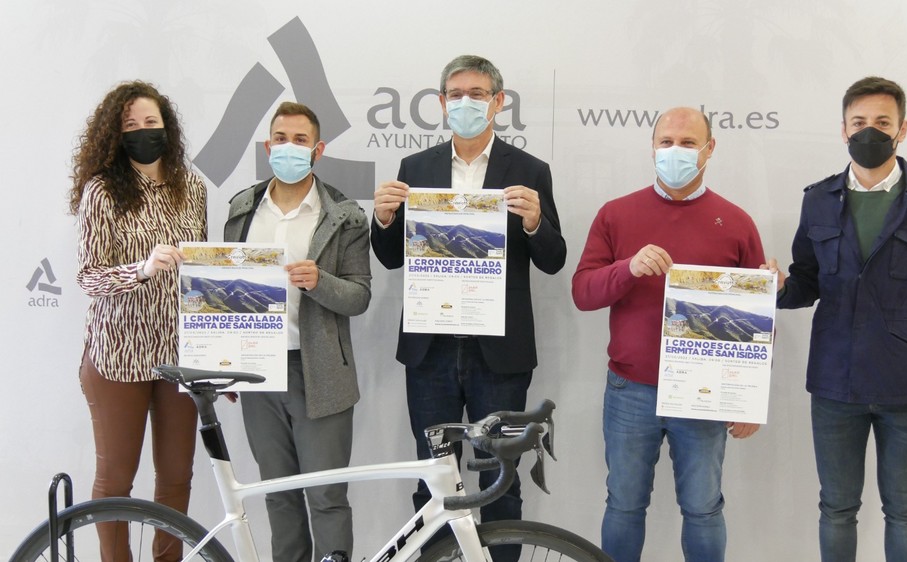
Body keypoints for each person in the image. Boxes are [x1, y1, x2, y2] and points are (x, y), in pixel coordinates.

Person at [765, 76, 907, 562]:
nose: (869, 132)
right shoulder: (818, 199)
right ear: (843, 130)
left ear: (902, 130)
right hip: (836, 385)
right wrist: (778, 289)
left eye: (882, 122)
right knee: (836, 508)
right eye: (859, 123)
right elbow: (807, 283)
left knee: (904, 510)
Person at [370, 55, 566, 536]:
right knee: (434, 483)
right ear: (440, 104)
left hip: (498, 354)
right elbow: (392, 258)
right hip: (430, 349)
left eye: (477, 94)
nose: (466, 103)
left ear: (498, 103)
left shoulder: (529, 170)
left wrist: (536, 223)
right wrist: (383, 220)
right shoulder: (415, 167)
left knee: (501, 483)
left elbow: (554, 259)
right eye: (456, 95)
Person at [572, 107, 764, 562]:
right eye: (666, 142)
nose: (674, 151)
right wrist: (627, 269)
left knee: (702, 508)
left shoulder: (736, 222)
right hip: (630, 389)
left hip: (704, 393)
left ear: (709, 149)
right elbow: (582, 292)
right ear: (652, 147)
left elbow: (757, 317)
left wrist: (748, 398)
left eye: (687, 143)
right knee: (623, 504)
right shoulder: (616, 214)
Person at [224, 101, 372, 562]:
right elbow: (228, 288)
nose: (289, 148)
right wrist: (227, 360)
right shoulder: (243, 208)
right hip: (258, 374)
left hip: (320, 374)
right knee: (278, 495)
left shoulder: (344, 216)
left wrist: (319, 282)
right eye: (281, 140)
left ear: (318, 149)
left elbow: (360, 296)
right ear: (268, 147)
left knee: (326, 498)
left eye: (300, 140)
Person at [73, 80, 207, 562]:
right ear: (114, 134)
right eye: (131, 125)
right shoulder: (102, 191)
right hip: (118, 355)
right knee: (115, 481)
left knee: (175, 476)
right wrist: (142, 269)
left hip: (179, 355)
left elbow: (205, 275)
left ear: (167, 128)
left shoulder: (191, 187)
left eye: (151, 123)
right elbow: (89, 277)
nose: (143, 132)